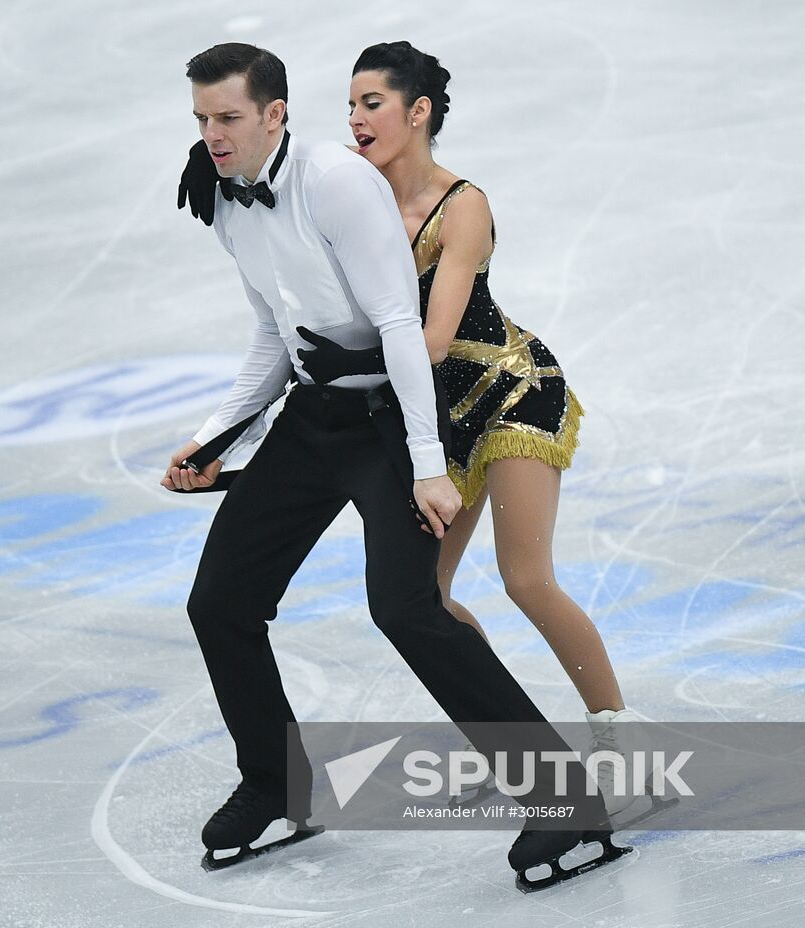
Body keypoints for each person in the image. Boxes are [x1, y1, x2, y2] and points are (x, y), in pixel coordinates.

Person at [166, 42, 624, 890]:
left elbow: (400, 326)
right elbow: (275, 333)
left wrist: (426, 465)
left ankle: (565, 799)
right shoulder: (223, 198)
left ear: (274, 115)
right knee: (220, 602)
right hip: (312, 419)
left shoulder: (339, 184)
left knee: (408, 609)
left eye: (227, 118)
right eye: (201, 118)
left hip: (391, 419)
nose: (212, 135)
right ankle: (276, 784)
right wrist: (215, 438)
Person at [291, 41, 652, 823]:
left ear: (417, 112)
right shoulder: (355, 200)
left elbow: (434, 339)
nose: (355, 120)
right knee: (424, 596)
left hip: (510, 396)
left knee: (525, 579)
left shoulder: (464, 205)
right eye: (349, 106)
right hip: (438, 420)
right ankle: (509, 745)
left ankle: (622, 746)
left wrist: (350, 356)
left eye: (373, 104)